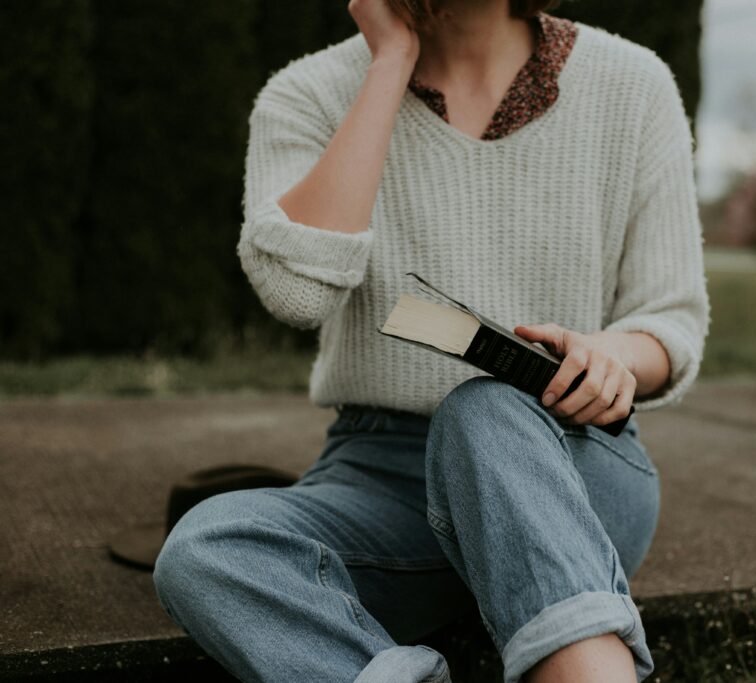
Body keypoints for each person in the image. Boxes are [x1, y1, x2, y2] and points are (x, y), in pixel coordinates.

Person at [152, 0, 709, 680]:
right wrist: (390, 64)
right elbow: (297, 293)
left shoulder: (634, 84)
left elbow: (671, 319)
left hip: (568, 458)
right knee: (207, 548)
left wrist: (612, 358)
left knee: (485, 411)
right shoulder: (306, 94)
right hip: (384, 477)